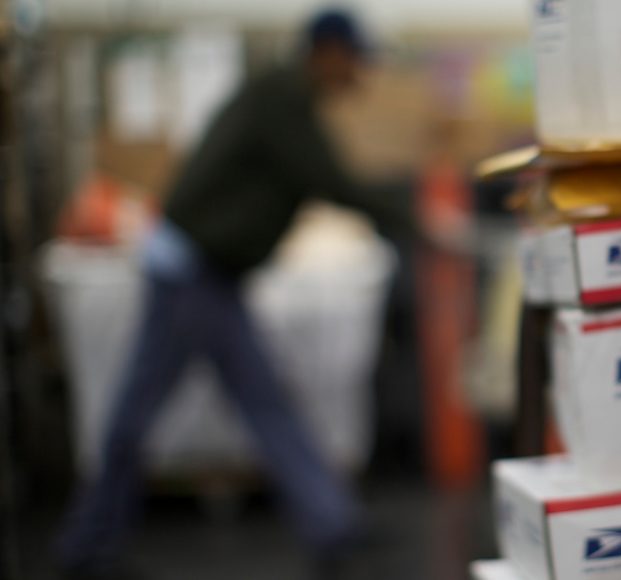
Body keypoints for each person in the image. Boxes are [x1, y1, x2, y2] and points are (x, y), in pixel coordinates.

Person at [57, 9, 426, 580]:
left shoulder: (280, 95)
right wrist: (417, 221)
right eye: (354, 59)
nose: (359, 72)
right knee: (140, 410)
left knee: (265, 400)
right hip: (190, 272)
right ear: (326, 51)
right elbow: (329, 179)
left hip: (208, 274)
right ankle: (88, 546)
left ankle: (332, 523)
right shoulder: (282, 98)